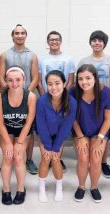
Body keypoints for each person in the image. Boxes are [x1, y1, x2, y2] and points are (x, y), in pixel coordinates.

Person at [0, 24, 39, 175]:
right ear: (12, 36)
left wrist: (24, 95)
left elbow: (35, 78)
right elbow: (1, 77)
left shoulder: (32, 55)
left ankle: (28, 159)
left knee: (28, 129)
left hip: (26, 99)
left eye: (22, 33)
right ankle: (9, 157)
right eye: (17, 33)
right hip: (9, 98)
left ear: (26, 35)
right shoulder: (5, 55)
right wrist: (11, 92)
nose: (20, 35)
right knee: (8, 127)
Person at [71, 64, 110, 203]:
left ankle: (94, 187)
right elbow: (72, 118)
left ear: (95, 78)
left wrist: (100, 137)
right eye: (80, 79)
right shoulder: (73, 91)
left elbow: (108, 119)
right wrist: (81, 136)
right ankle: (81, 186)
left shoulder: (105, 92)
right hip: (81, 130)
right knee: (83, 158)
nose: (84, 82)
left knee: (96, 159)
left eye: (88, 78)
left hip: (100, 131)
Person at [77, 30, 110, 178]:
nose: (97, 43)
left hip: (104, 100)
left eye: (100, 40)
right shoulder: (84, 61)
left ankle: (103, 163)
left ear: (104, 43)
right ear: (90, 42)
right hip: (87, 100)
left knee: (103, 131)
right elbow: (79, 80)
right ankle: (87, 162)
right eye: (94, 40)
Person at [0, 66, 36, 205]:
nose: (14, 83)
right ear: (6, 81)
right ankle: (6, 189)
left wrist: (19, 143)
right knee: (7, 156)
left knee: (18, 158)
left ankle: (20, 189)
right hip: (6, 130)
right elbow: (0, 122)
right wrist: (7, 143)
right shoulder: (0, 97)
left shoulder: (30, 96)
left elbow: (29, 121)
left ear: (24, 80)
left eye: (18, 80)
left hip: (23, 131)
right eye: (10, 80)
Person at [37, 31, 76, 172]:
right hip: (47, 99)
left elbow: (70, 81)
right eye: (51, 40)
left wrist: (61, 96)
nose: (54, 42)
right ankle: (46, 158)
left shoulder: (69, 59)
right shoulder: (41, 59)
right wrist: (46, 98)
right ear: (47, 42)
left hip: (62, 99)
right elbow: (40, 81)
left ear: (61, 41)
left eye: (56, 39)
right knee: (45, 128)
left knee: (61, 129)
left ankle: (58, 158)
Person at [36, 70, 77, 202]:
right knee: (46, 158)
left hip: (59, 136)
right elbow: (41, 124)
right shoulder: (42, 101)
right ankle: (42, 187)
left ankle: (59, 188)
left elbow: (66, 127)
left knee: (56, 159)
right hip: (45, 135)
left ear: (64, 83)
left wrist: (56, 147)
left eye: (57, 83)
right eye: (50, 84)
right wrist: (48, 146)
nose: (54, 87)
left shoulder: (71, 102)